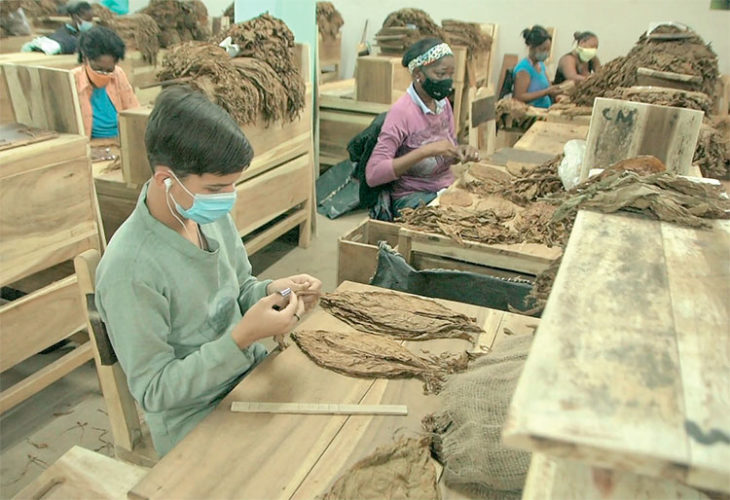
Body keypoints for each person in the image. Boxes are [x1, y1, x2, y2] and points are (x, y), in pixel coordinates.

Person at [94, 85, 323, 457]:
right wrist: (241, 339)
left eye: (232, 184)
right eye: (217, 187)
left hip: (247, 377)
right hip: (193, 418)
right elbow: (155, 391)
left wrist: (271, 292)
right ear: (166, 180)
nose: (227, 196)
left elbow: (239, 286)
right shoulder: (130, 270)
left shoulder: (204, 213)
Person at [365, 38, 478, 220]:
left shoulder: (443, 105)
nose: (447, 81)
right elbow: (373, 174)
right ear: (418, 73)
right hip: (412, 197)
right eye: (441, 74)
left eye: (451, 74)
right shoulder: (402, 112)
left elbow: (447, 153)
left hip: (444, 187)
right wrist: (425, 151)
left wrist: (460, 152)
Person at [71, 26, 139, 139]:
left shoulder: (118, 74)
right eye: (98, 69)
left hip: (120, 140)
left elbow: (133, 110)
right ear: (85, 58)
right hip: (91, 143)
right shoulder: (73, 81)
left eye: (109, 70)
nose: (103, 74)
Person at [512, 25, 562, 109]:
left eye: (548, 50)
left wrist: (559, 93)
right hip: (532, 113)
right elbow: (519, 97)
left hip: (546, 109)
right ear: (532, 47)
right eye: (542, 49)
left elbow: (549, 87)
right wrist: (545, 92)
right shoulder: (524, 69)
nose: (546, 53)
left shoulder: (540, 65)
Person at [21, 1, 93, 55]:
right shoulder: (62, 35)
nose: (90, 23)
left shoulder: (86, 33)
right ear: (76, 17)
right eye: (88, 20)